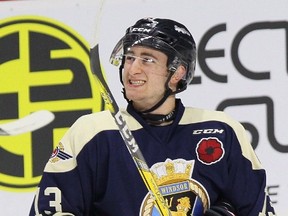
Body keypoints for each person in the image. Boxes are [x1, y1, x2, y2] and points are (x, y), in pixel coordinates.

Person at [29, 17, 275, 216]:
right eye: (129, 57)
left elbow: (258, 210)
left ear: (177, 72)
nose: (132, 68)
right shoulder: (93, 132)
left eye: (147, 59)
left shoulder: (221, 130)